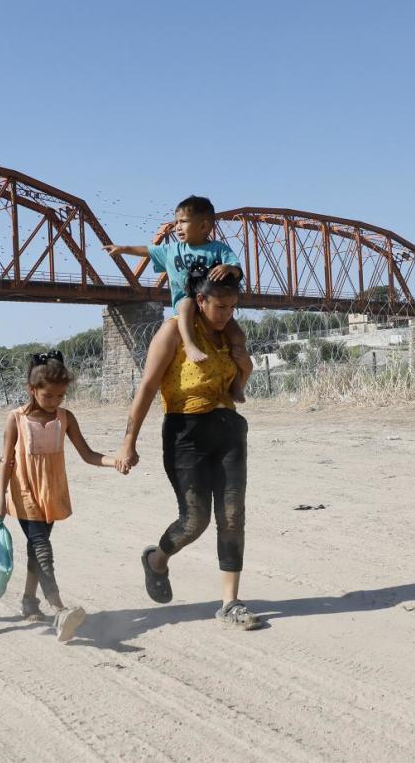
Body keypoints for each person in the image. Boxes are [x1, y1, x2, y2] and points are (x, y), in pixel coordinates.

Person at [115, 266, 261, 631]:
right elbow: (147, 387)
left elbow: (234, 395)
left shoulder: (228, 336)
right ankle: (157, 560)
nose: (226, 314)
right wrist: (128, 442)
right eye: (220, 306)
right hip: (185, 434)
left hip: (227, 429)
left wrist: (245, 372)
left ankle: (230, 603)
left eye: (232, 307)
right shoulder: (172, 332)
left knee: (232, 516)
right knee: (194, 522)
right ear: (200, 300)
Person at [0, 351, 118, 643]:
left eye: (60, 396)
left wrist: (115, 461)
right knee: (42, 547)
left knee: (38, 549)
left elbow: (88, 455)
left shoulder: (66, 418)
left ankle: (28, 600)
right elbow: (6, 461)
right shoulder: (16, 420)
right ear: (31, 390)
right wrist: (0, 498)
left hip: (52, 491)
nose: (55, 401)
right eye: (48, 395)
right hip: (24, 492)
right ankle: (59, 608)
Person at [103, 195, 252, 402]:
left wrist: (228, 268)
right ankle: (190, 345)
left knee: (238, 336)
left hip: (212, 307)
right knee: (187, 303)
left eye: (183, 222)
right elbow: (148, 250)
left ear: (203, 226)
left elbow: (237, 269)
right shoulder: (172, 250)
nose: (177, 227)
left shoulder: (219, 249)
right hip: (186, 303)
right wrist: (123, 249)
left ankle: (238, 385)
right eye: (176, 222)